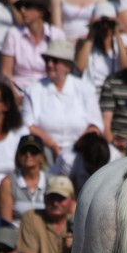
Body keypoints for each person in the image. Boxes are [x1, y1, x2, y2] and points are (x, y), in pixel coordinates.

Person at [24, 39, 103, 168]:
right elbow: (29, 125)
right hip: (44, 153)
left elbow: (95, 126)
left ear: (68, 66)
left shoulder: (86, 89)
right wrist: (52, 145)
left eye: (55, 61)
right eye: (47, 60)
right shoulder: (33, 90)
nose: (49, 64)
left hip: (80, 153)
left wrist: (73, 150)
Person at [0, 0, 65, 93]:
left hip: (49, 92)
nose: (22, 10)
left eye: (28, 6)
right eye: (21, 6)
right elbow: (6, 73)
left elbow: (62, 72)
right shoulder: (13, 34)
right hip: (19, 92)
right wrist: (14, 96)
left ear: (41, 11)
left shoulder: (57, 35)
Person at [17, 175, 74, 253]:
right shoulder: (32, 218)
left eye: (61, 198)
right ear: (44, 198)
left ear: (71, 200)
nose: (55, 203)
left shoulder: (78, 222)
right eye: (51, 197)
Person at [76, 2, 127, 94]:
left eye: (108, 24)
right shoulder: (85, 43)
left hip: (115, 91)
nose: (105, 27)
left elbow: (126, 67)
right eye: (101, 24)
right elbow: (80, 67)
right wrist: (92, 32)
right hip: (92, 91)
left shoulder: (123, 41)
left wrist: (116, 31)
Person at [0, 134, 48, 225]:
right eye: (24, 151)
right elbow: (6, 222)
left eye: (33, 151)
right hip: (18, 236)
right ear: (18, 155)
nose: (28, 154)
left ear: (42, 156)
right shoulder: (8, 183)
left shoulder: (51, 181)